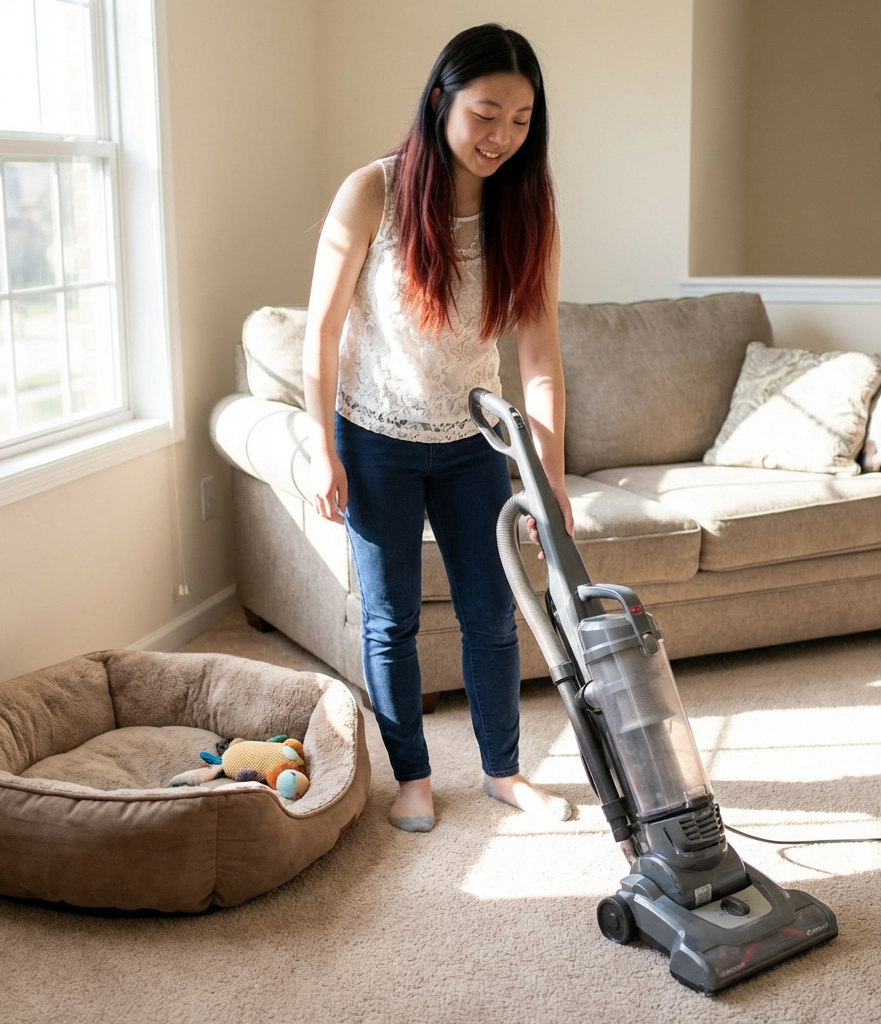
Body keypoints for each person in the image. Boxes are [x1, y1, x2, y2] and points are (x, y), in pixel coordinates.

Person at [303, 23, 573, 832]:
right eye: (487, 113)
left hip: (474, 446)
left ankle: (503, 771)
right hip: (374, 439)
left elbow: (542, 364)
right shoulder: (372, 194)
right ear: (440, 101)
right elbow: (319, 330)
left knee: (492, 613)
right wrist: (320, 449)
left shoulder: (524, 211)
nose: (503, 137)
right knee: (393, 618)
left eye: (522, 121)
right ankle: (412, 778)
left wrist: (547, 476)